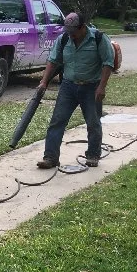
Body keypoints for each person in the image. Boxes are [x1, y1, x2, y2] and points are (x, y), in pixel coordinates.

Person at [36, 12, 114, 169]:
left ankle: (93, 155)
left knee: (93, 122)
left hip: (91, 86)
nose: (70, 35)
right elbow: (53, 60)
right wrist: (44, 81)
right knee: (57, 121)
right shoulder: (64, 39)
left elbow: (108, 63)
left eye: (73, 32)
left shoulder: (98, 38)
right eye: (68, 31)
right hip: (68, 86)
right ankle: (50, 157)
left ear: (83, 27)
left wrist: (101, 87)